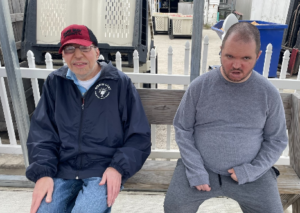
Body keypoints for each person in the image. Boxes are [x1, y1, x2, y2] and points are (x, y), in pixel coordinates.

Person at [26, 24, 151, 213]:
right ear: (63, 55)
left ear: (97, 50)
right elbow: (42, 133)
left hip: (103, 169)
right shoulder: (55, 82)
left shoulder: (118, 83)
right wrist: (43, 173)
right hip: (63, 168)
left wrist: (118, 167)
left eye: (84, 48)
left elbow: (139, 135)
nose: (77, 55)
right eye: (69, 49)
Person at [164, 22, 288, 213]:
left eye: (246, 58)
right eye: (229, 56)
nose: (236, 65)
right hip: (201, 168)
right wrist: (196, 169)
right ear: (221, 51)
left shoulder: (268, 93)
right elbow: (183, 128)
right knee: (174, 206)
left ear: (258, 56)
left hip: (250, 173)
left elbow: (277, 139)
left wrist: (252, 170)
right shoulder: (200, 87)